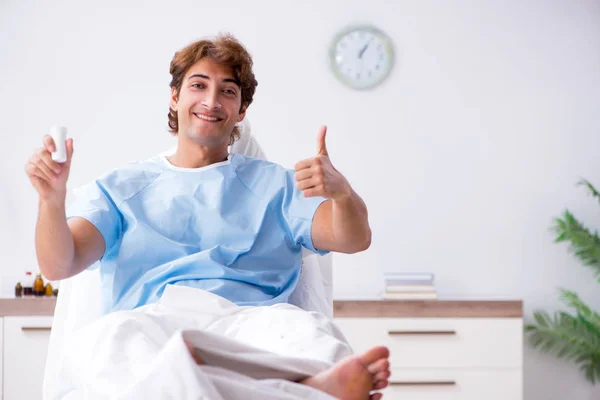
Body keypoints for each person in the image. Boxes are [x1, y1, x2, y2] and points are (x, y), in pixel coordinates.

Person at [25, 34, 390, 399]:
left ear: (241, 111)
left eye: (228, 91)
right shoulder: (121, 189)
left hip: (252, 322)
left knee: (309, 336)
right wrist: (51, 201)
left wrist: (342, 193)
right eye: (198, 85)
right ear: (175, 96)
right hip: (154, 324)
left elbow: (354, 238)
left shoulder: (277, 185)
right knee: (103, 347)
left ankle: (204, 379)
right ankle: (297, 387)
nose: (211, 101)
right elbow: (60, 264)